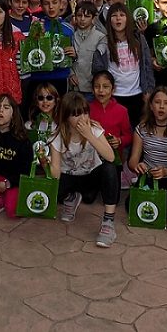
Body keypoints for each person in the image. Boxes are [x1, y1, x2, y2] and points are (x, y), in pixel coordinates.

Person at [49, 92, 120, 248]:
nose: (82, 118)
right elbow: (55, 174)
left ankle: (108, 222)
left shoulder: (94, 129)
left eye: (84, 113)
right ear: (66, 117)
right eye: (75, 115)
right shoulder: (57, 135)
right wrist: (45, 161)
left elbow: (110, 157)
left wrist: (89, 136)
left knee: (109, 169)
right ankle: (71, 197)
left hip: (90, 176)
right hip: (68, 177)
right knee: (52, 194)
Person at [92, 3, 154, 128]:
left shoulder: (138, 40)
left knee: (136, 130)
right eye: (114, 16)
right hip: (115, 96)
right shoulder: (104, 43)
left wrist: (148, 90)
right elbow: (98, 70)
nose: (118, 18)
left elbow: (147, 65)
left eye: (122, 15)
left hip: (136, 94)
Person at [129, 86, 167, 216]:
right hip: (148, 177)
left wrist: (166, 171)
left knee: (165, 210)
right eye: (157, 102)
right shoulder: (141, 129)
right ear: (151, 106)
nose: (161, 107)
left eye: (166, 103)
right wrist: (138, 166)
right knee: (132, 206)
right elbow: (132, 161)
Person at [27, 0, 75, 102]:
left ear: (61, 4)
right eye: (46, 3)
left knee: (59, 113)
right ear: (41, 6)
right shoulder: (35, 24)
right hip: (38, 78)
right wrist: (35, 37)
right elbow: (28, 52)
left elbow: (73, 56)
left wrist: (74, 53)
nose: (51, 7)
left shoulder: (68, 28)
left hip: (60, 78)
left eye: (54, 3)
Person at [88, 71, 132, 180]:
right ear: (92, 90)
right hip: (91, 158)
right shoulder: (86, 109)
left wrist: (119, 140)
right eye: (97, 87)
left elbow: (129, 136)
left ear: (113, 89)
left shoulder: (121, 111)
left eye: (106, 87)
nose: (101, 90)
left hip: (114, 158)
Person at [70, 1, 107, 101]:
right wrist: (71, 74)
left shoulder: (101, 37)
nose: (82, 19)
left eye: (86, 16)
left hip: (92, 87)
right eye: (79, 15)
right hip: (75, 87)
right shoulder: (71, 35)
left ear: (93, 18)